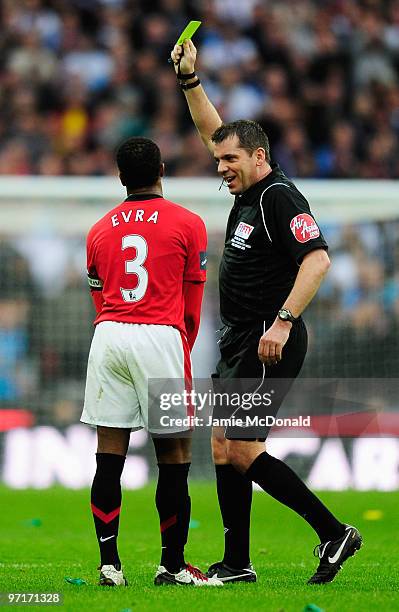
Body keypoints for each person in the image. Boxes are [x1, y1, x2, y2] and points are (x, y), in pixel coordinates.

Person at [170, 40, 362, 585]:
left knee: (243, 448)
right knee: (224, 446)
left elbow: (318, 260)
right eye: (218, 160)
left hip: (265, 338)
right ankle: (237, 563)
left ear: (259, 157)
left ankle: (332, 531)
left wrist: (283, 320)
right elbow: (213, 129)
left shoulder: (279, 196)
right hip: (241, 341)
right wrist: (190, 83)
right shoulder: (248, 193)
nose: (221, 167)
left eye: (231, 160)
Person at [80, 136, 223, 587]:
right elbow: (192, 304)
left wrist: (113, 328)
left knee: (109, 454)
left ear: (120, 176)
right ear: (162, 168)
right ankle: (173, 566)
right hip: (160, 337)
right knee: (174, 453)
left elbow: (97, 296)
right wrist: (178, 343)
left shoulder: (100, 229)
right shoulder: (188, 223)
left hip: (108, 335)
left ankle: (110, 566)